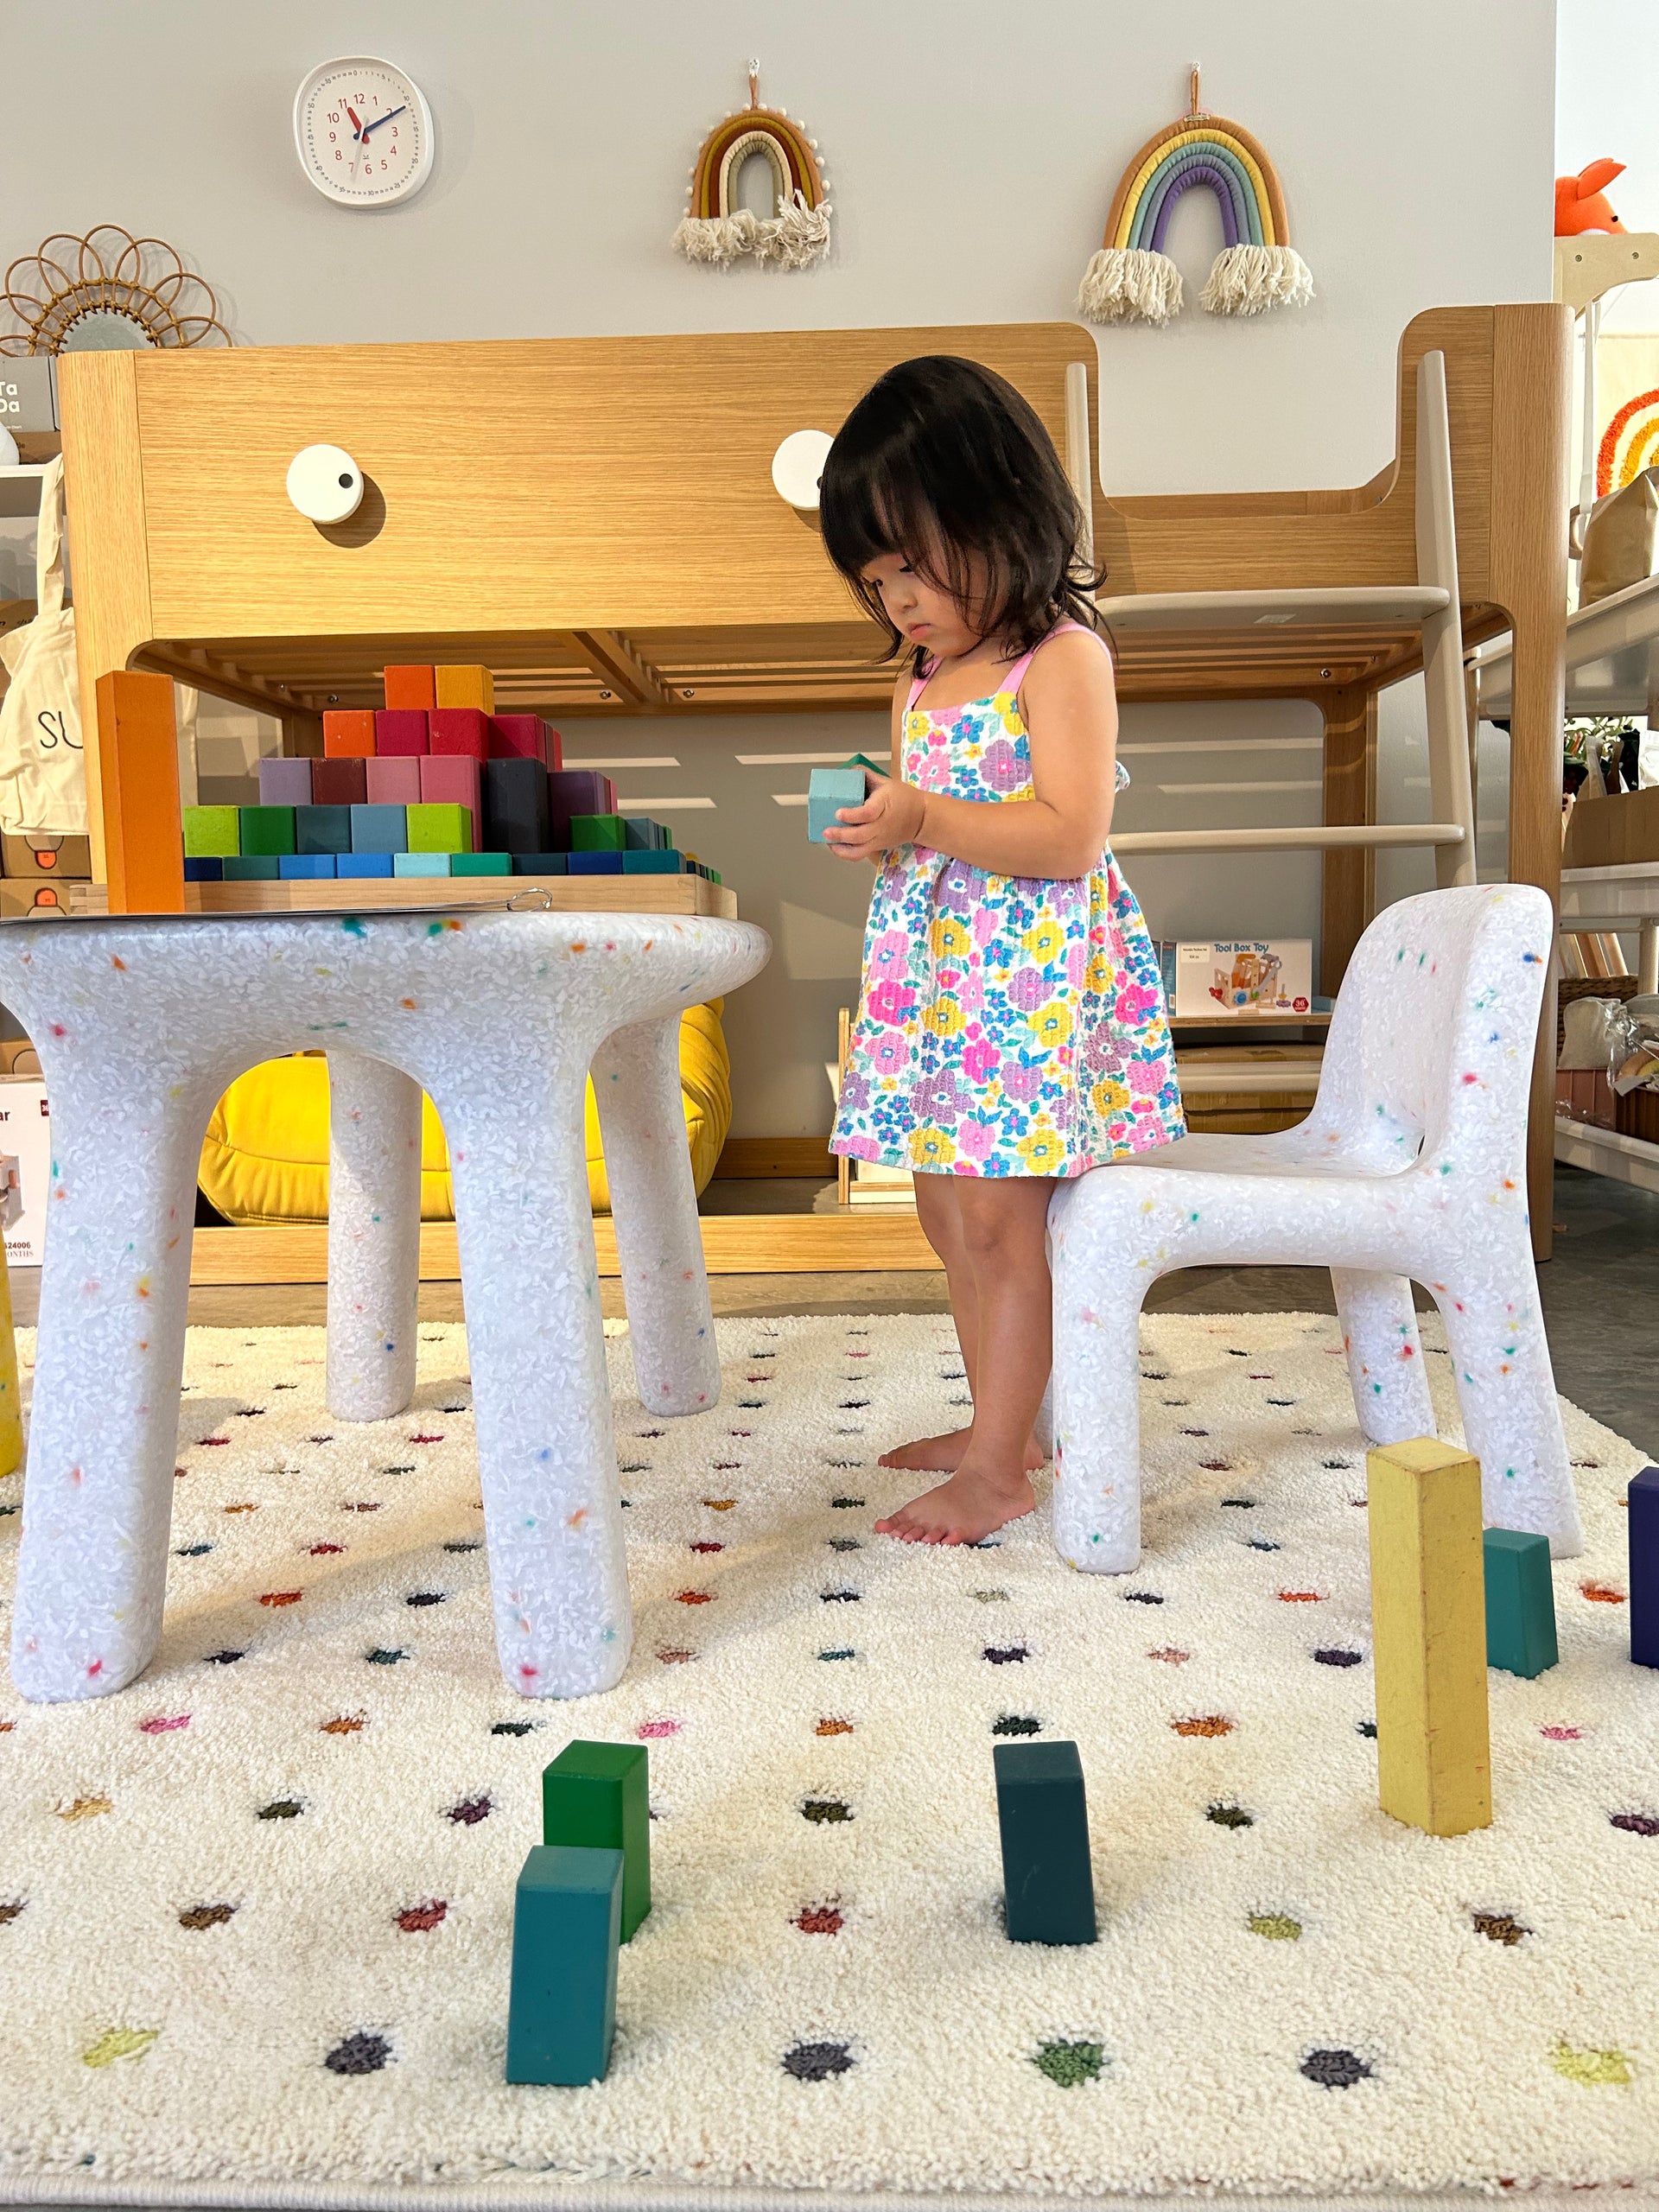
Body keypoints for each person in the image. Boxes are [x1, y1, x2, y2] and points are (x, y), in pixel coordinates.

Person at [817, 355, 1184, 1546]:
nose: (899, 603)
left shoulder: (1062, 657)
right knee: (940, 1211)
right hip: (938, 989)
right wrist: (891, 834)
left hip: (1022, 995)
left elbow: (1071, 836)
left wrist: (924, 819)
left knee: (999, 1223)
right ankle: (1003, 1428)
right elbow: (938, 823)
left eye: (912, 565)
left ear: (1000, 513)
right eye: (876, 582)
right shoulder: (923, 683)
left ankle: (1000, 1473)